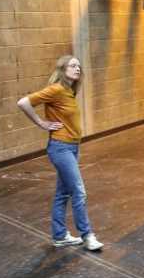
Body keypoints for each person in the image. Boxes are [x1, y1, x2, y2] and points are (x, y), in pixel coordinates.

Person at [16, 56, 103, 251]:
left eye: (79, 65)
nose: (78, 68)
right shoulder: (56, 89)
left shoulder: (68, 91)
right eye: (73, 65)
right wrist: (41, 123)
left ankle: (60, 235)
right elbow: (23, 102)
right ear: (62, 69)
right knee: (79, 191)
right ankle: (87, 235)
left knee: (63, 193)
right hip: (60, 147)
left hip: (72, 147)